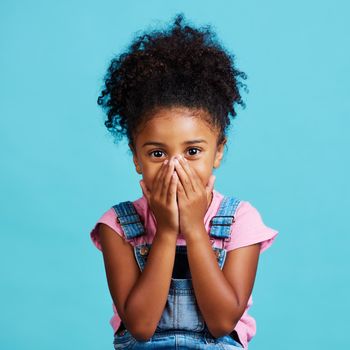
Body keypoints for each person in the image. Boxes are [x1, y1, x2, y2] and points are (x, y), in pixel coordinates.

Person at [89, 13, 279, 349]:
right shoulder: (117, 225)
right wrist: (165, 231)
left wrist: (192, 228)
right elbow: (141, 327)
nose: (175, 168)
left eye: (192, 151)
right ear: (136, 157)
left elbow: (222, 323)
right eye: (157, 154)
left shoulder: (241, 221)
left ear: (218, 152)